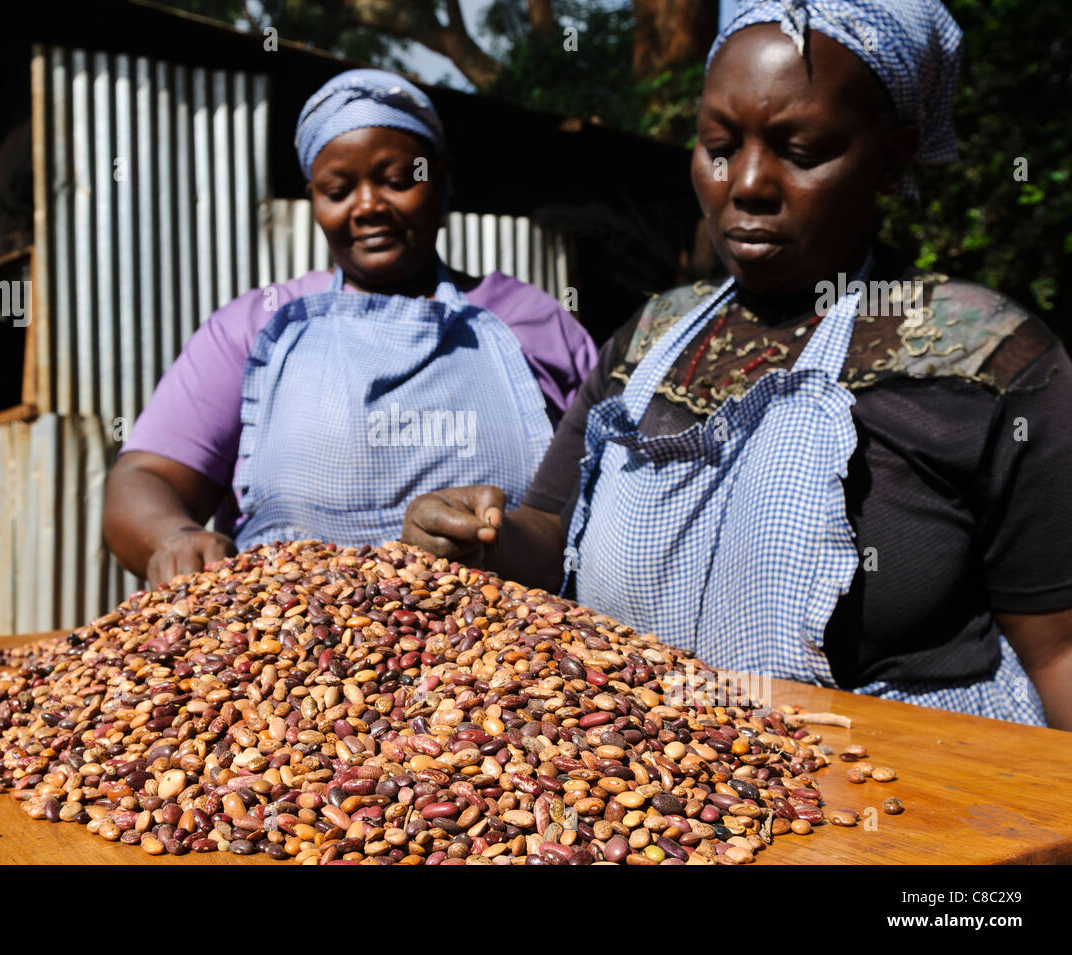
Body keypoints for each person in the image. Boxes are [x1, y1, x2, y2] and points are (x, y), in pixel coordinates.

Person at [402, 0, 1072, 729]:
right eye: (719, 146)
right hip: (653, 801)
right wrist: (481, 536)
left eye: (802, 150)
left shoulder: (990, 363)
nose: (746, 182)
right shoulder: (651, 335)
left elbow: (1057, 650)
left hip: (906, 812)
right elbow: (550, 532)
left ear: (892, 156)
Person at [104, 69, 597, 588]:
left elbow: (604, 496)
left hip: (510, 661)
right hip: (287, 657)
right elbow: (145, 477)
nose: (368, 207)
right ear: (313, 198)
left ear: (442, 178)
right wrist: (174, 536)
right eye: (339, 190)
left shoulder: (532, 323)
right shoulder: (258, 329)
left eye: (397, 180)